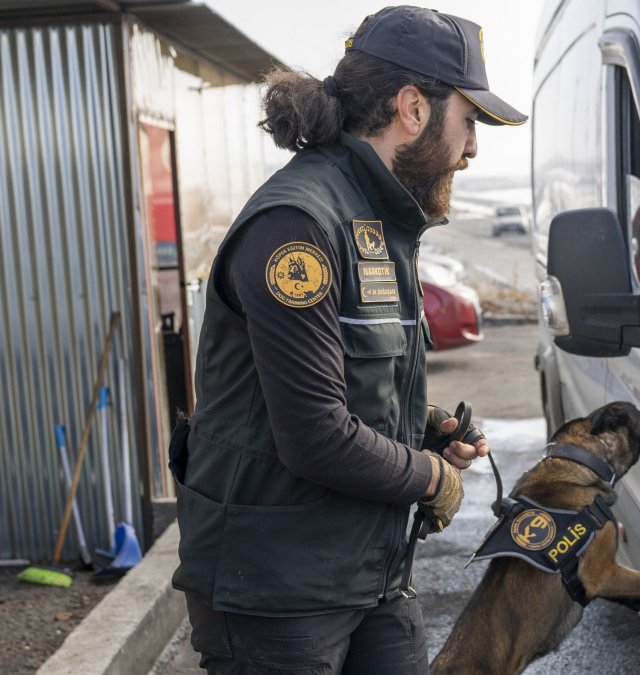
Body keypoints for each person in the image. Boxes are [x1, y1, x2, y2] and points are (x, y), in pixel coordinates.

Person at [169, 6, 526, 674]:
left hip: (369, 572)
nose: (474, 147)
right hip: (277, 590)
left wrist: (422, 426)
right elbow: (314, 434)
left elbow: (347, 382)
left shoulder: (379, 216)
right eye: (470, 120)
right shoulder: (298, 226)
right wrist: (432, 478)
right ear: (413, 108)